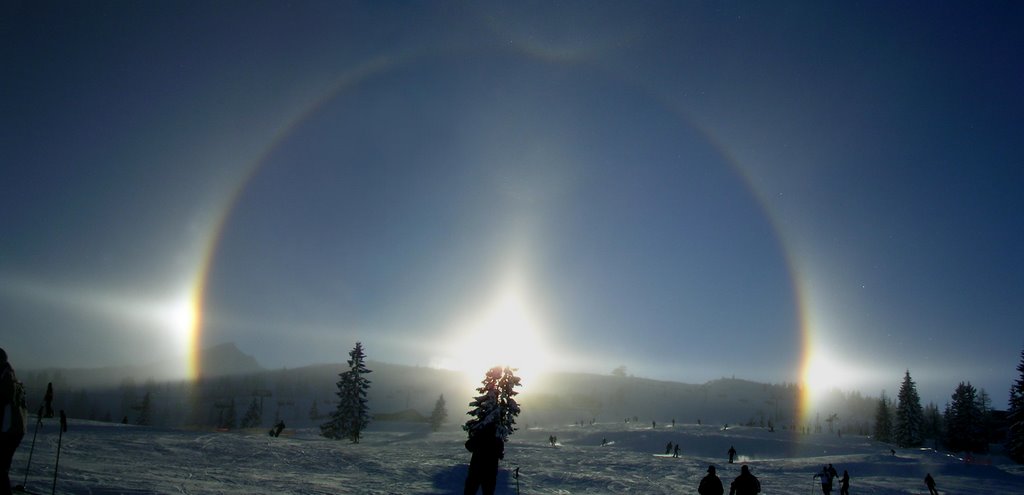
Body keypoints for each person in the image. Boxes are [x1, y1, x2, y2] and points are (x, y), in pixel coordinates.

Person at [1, 348, 24, 495]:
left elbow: (4, 400)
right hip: (14, 429)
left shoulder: (5, 376)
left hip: (8, 430)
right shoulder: (9, 374)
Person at [464, 424, 504, 495]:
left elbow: (468, 445)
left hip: (476, 470)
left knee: (470, 491)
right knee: (488, 492)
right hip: (490, 472)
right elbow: (500, 454)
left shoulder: (479, 438)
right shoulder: (497, 441)